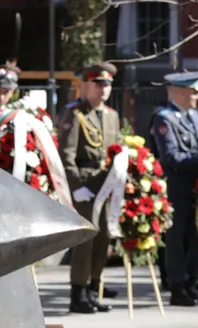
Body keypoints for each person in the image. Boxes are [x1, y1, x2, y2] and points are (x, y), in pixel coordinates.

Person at [58, 62, 122, 314]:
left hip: (105, 185)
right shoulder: (75, 114)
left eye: (107, 85)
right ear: (85, 85)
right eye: (98, 84)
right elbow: (66, 154)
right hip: (84, 184)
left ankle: (94, 288)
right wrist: (75, 187)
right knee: (85, 240)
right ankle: (78, 292)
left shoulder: (111, 115)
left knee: (103, 238)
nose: (103, 89)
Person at [149, 71, 198, 306]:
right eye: (194, 92)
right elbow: (170, 157)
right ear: (180, 92)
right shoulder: (164, 118)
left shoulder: (192, 115)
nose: (197, 97)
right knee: (176, 236)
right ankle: (177, 285)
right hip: (176, 185)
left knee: (196, 235)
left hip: (197, 184)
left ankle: (193, 282)